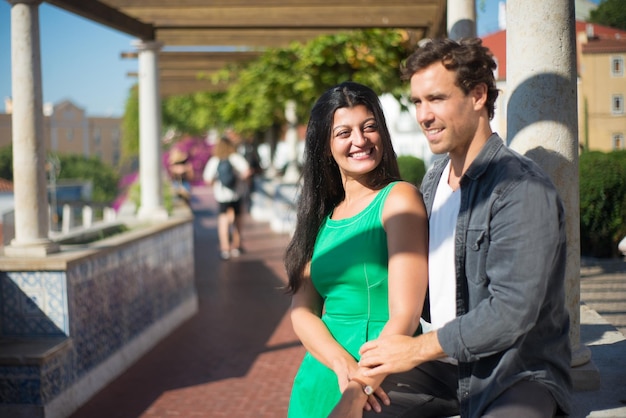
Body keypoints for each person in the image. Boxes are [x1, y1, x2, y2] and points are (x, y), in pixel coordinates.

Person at [329, 38, 572, 418]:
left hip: (515, 373)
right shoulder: (433, 181)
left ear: (477, 95)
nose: (424, 115)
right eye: (417, 102)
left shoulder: (521, 188)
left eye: (436, 99)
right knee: (357, 407)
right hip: (447, 367)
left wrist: (414, 350)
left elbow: (511, 313)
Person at [284, 81, 429, 418]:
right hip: (321, 376)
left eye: (369, 128)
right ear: (325, 147)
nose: (360, 141)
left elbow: (405, 317)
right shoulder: (321, 219)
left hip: (379, 380)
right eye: (343, 133)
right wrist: (340, 364)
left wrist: (358, 386)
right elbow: (302, 311)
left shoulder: (398, 199)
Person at [203, 135, 251, 260]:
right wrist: (239, 180)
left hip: (222, 195)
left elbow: (207, 179)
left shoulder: (215, 160)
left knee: (223, 220)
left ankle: (225, 248)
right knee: (238, 219)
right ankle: (236, 245)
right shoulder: (235, 157)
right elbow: (247, 172)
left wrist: (217, 183)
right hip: (236, 193)